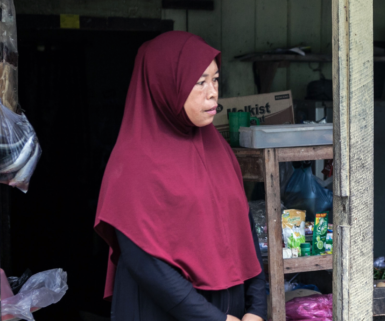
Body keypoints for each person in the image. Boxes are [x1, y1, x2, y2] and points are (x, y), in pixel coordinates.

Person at [94, 31, 266, 321]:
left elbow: (244, 231)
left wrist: (256, 308)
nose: (213, 92)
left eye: (215, 79)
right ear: (165, 85)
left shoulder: (219, 150)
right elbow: (146, 264)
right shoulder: (134, 163)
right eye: (199, 82)